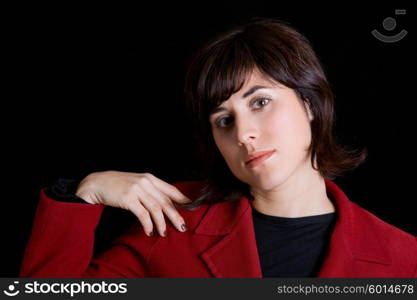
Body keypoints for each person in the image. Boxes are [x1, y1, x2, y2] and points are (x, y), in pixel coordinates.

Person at [20, 18, 417, 278]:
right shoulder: (170, 226)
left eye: (260, 102)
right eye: (224, 120)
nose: (244, 134)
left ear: (310, 104)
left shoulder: (404, 258)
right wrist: (83, 194)